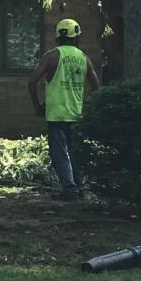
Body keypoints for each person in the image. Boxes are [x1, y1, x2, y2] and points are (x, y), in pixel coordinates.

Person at [27, 18, 101, 200]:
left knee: (59, 153)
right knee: (76, 152)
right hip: (77, 114)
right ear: (77, 37)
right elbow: (97, 87)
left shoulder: (51, 56)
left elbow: (32, 82)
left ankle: (70, 189)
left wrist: (37, 106)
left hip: (57, 114)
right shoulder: (84, 59)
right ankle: (80, 187)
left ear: (58, 36)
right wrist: (90, 106)